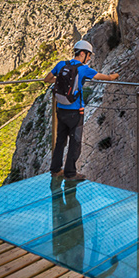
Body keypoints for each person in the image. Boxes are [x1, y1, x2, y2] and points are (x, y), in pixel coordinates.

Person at [44, 40, 119, 180]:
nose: (89, 58)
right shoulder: (84, 69)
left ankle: (55, 170)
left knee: (60, 140)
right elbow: (106, 78)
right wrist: (114, 76)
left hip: (60, 109)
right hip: (75, 112)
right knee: (75, 142)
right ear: (83, 53)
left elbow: (47, 79)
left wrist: (60, 80)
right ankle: (70, 173)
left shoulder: (61, 64)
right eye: (88, 55)